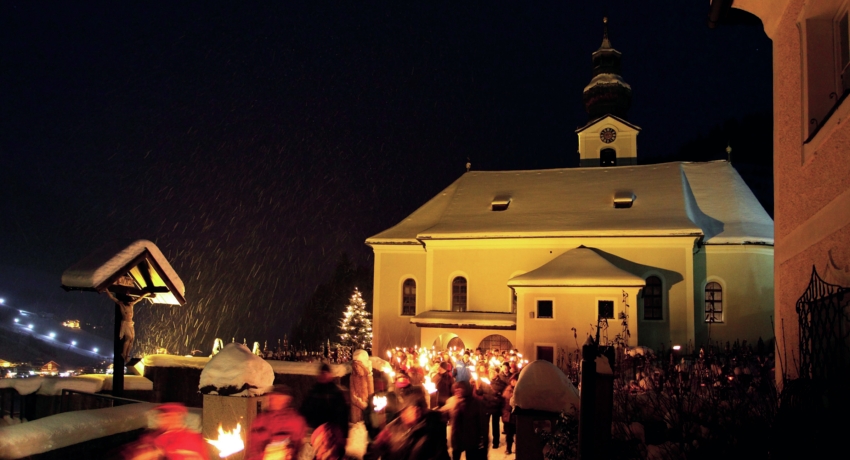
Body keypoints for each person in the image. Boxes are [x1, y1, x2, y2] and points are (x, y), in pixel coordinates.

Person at [365, 388, 449, 460]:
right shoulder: (392, 428)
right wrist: (378, 446)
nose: (415, 412)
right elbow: (371, 456)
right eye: (408, 409)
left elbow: (439, 456)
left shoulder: (432, 430)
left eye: (418, 408)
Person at [124, 402, 210, 460]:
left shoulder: (191, 438)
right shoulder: (152, 437)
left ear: (179, 417)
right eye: (163, 417)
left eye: (170, 416)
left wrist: (164, 452)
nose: (167, 420)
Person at [247, 384, 308, 460]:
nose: (273, 400)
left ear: (287, 400)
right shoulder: (260, 420)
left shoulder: (296, 421)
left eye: (278, 398)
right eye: (271, 398)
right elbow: (253, 446)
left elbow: (298, 446)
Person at [301, 363, 349, 439]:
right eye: (322, 373)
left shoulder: (335, 392)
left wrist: (343, 432)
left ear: (330, 375)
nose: (323, 376)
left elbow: (342, 413)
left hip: (332, 430)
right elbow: (305, 409)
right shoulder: (314, 391)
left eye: (325, 373)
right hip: (317, 429)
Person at [443, 381, 487, 460]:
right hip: (457, 437)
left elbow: (482, 423)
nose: (457, 390)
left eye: (460, 388)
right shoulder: (452, 401)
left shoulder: (476, 403)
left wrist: (483, 439)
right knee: (456, 455)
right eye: (456, 389)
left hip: (472, 438)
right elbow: (444, 415)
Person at [105, 287, 152, 361]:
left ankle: (127, 354)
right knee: (129, 338)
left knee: (132, 339)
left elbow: (139, 299)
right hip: (125, 323)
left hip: (130, 323)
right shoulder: (121, 304)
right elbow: (112, 297)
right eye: (129, 301)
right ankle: (124, 353)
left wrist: (145, 294)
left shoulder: (131, 304)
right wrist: (106, 290)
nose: (130, 302)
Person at [349, 350, 374, 424]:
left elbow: (371, 393)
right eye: (355, 366)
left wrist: (368, 406)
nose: (356, 368)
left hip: (366, 408)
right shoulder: (352, 377)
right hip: (356, 409)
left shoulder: (368, 376)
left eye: (358, 365)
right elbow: (352, 395)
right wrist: (361, 404)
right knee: (357, 427)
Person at [501, 376, 518, 455]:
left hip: (517, 415)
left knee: (518, 434)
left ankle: (518, 448)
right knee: (509, 434)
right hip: (509, 415)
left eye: (515, 380)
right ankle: (508, 448)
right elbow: (506, 402)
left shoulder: (520, 389)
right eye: (513, 381)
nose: (514, 382)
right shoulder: (508, 389)